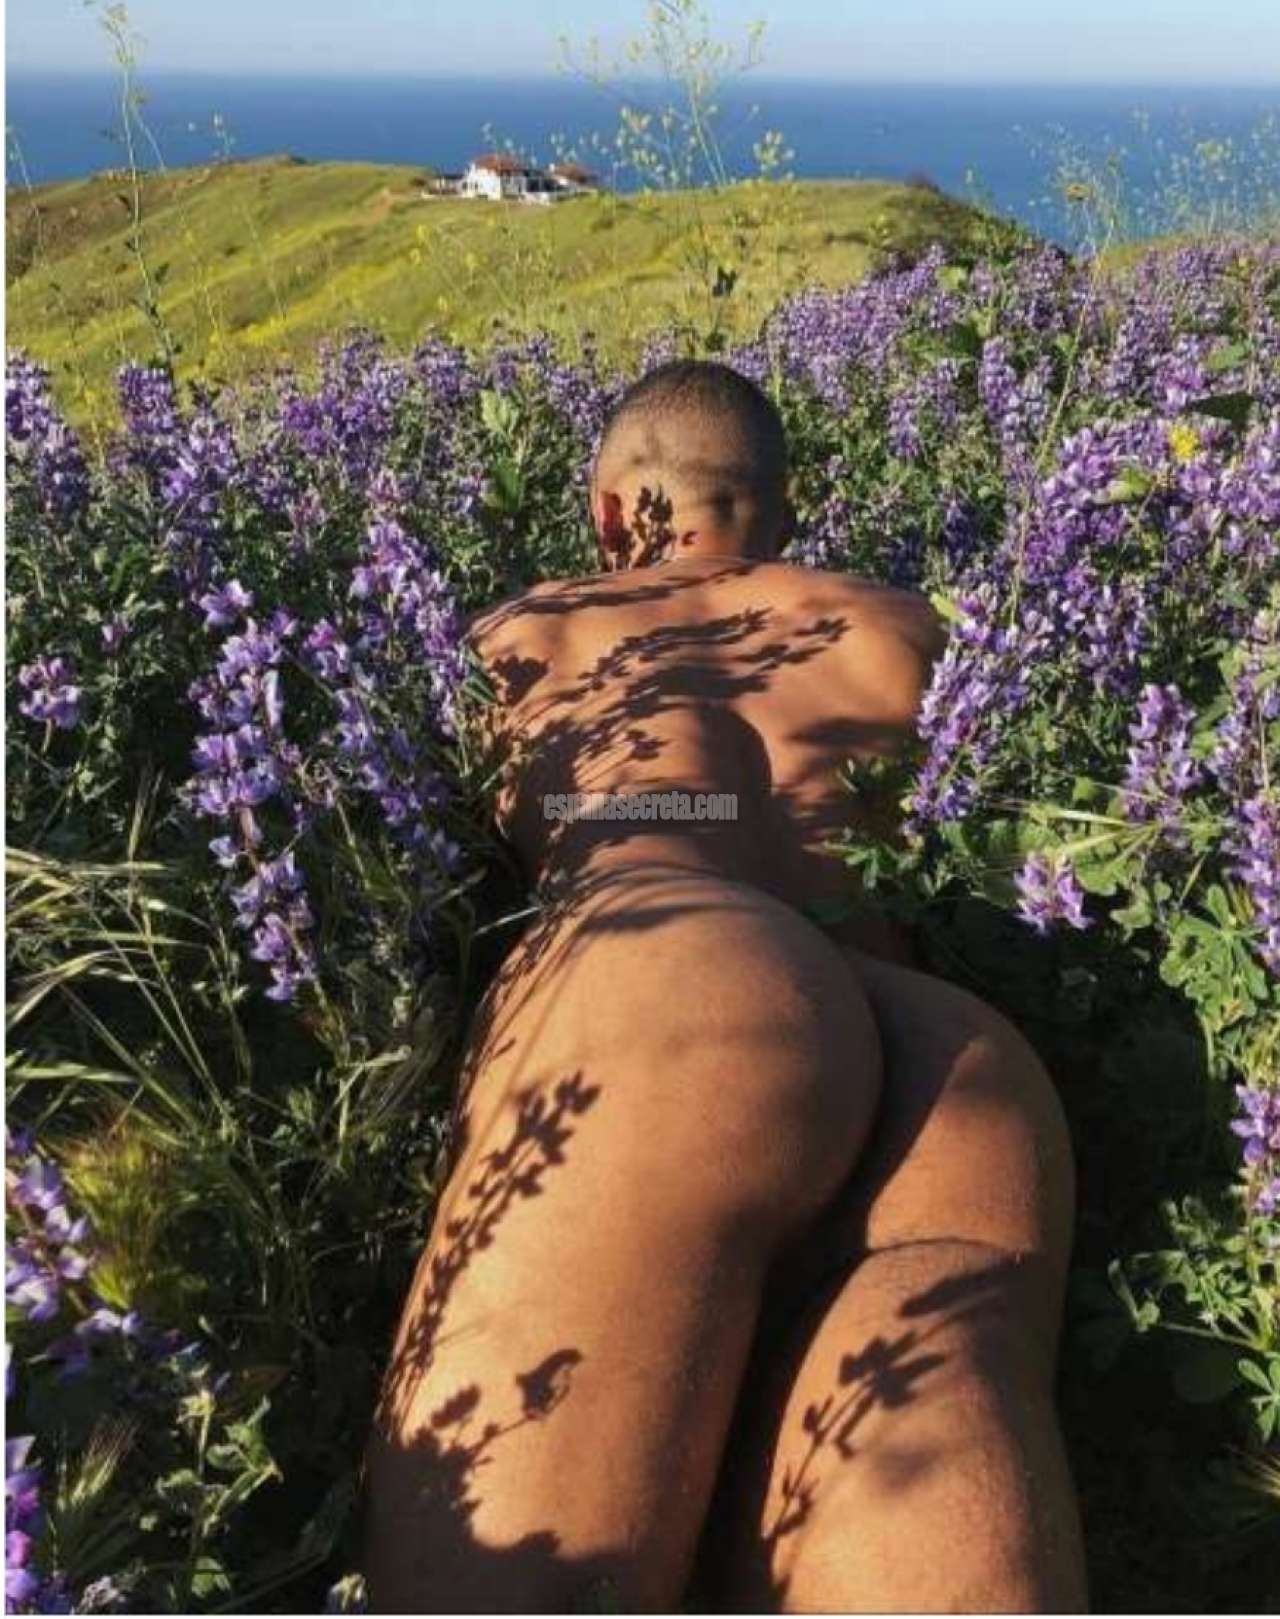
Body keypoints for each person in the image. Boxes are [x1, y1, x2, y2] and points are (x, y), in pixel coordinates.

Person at [364, 361, 1087, 1613]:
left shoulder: (516, 633)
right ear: (780, 513)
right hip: (939, 1052)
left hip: (667, 975)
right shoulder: (907, 624)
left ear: (609, 511)